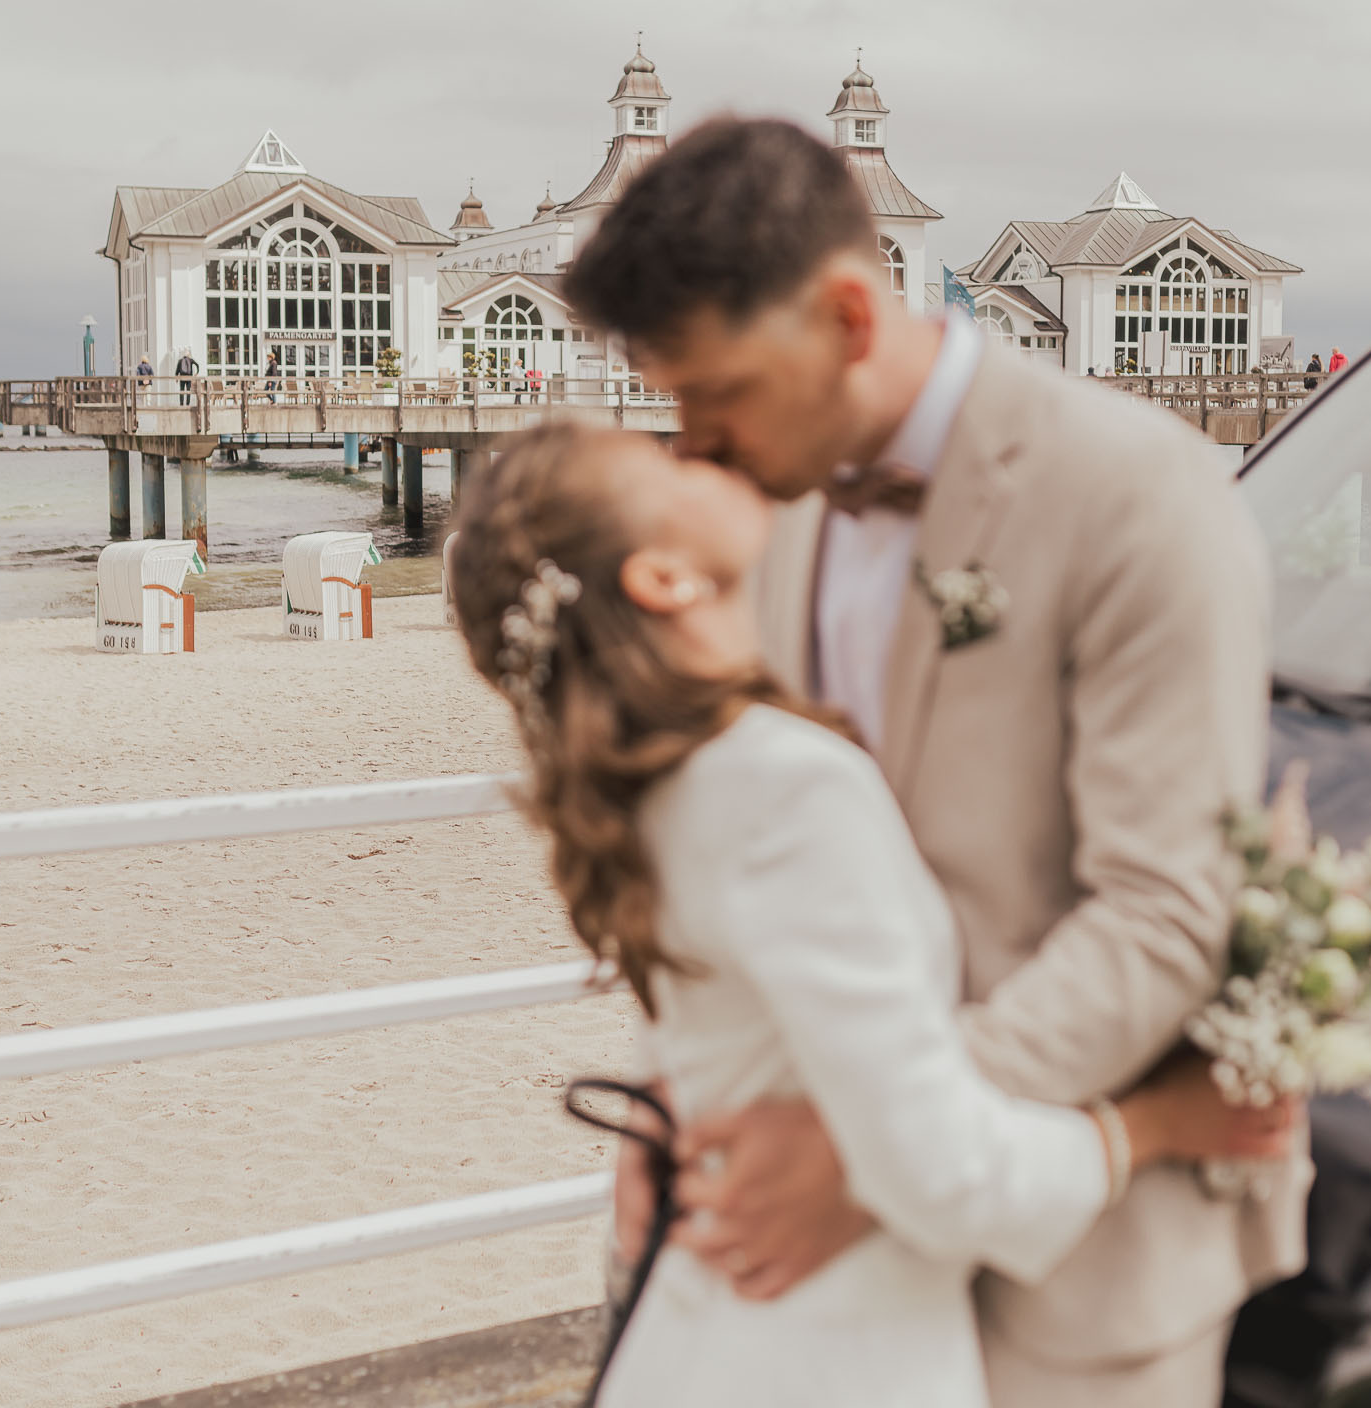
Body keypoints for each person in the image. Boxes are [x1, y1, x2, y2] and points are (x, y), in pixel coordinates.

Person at [563, 118, 1305, 1408]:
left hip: (1078, 1277)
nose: (692, 445)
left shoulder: (1143, 496)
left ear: (849, 315)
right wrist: (672, 1098)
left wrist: (876, 1151)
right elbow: (762, 856)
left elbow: (1165, 914)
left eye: (715, 394)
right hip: (840, 1283)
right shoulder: (779, 504)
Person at [448, 423, 1286, 1407]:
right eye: (667, 466)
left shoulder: (656, 780)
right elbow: (942, 1174)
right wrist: (1155, 1124)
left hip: (711, 1324)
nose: (704, 454)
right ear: (664, 578)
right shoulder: (785, 785)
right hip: (829, 1348)